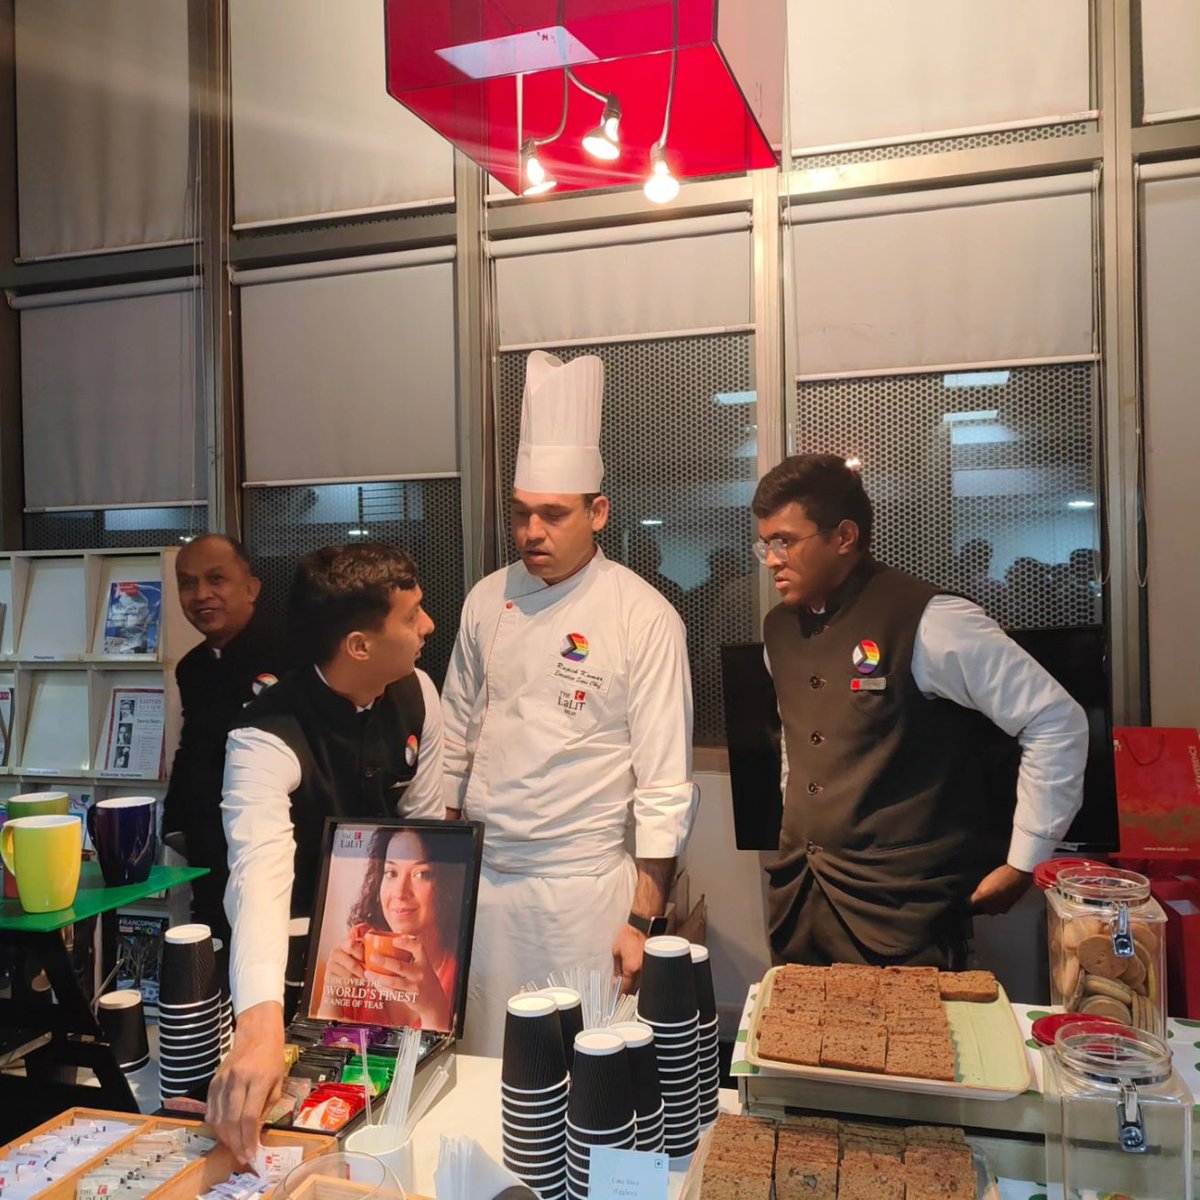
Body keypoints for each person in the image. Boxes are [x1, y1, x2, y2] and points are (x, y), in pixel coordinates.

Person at [442, 350, 696, 1057]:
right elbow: (456, 742)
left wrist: (642, 920)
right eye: (522, 514)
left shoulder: (643, 617)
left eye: (553, 515)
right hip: (486, 886)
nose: (532, 533)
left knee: (583, 1072)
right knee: (477, 1066)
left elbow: (664, 785)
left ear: (599, 511)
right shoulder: (486, 599)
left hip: (581, 895)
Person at [752, 453, 1088, 969]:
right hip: (802, 894)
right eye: (765, 544)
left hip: (901, 907)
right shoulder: (778, 630)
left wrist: (1026, 860)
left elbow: (1054, 721)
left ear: (843, 536)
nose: (772, 558)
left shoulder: (929, 620)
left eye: (784, 541)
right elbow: (798, 746)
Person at [208, 542, 444, 1162]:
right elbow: (258, 875)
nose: (429, 626)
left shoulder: (418, 693)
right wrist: (256, 1025)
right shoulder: (263, 734)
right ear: (359, 646)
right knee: (301, 1139)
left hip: (394, 958)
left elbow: (428, 832)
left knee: (406, 1129)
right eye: (412, 615)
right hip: (293, 962)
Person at [163, 535, 292, 944]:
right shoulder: (192, 667)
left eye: (216, 579)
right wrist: (175, 823)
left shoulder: (292, 651)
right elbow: (193, 747)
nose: (201, 595)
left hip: (275, 849)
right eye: (187, 583)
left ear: (251, 587)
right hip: (208, 852)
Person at [316, 826, 460, 1031]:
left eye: (421, 874)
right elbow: (327, 1050)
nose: (400, 892)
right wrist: (330, 1000)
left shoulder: (457, 968)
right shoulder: (359, 942)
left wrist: (433, 1012)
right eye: (391, 872)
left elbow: (449, 1061)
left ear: (447, 882)